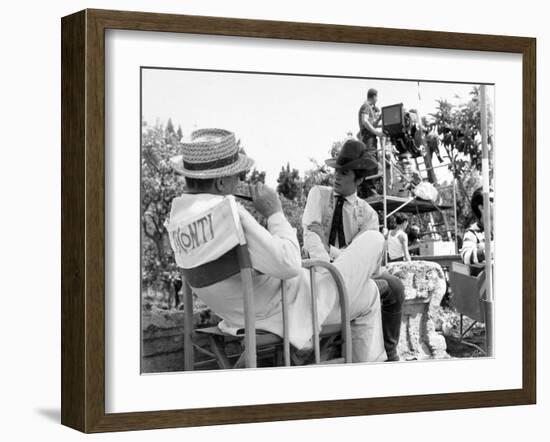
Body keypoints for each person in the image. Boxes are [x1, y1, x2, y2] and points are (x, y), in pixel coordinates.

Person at [167, 128, 387, 363]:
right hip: (290, 309)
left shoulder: (178, 220)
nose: (241, 181)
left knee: (369, 292)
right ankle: (365, 377)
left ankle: (363, 370)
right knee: (375, 241)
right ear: (221, 182)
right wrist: (274, 213)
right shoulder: (230, 216)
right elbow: (289, 264)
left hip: (237, 315)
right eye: (237, 176)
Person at [302, 138, 405, 361]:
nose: (337, 176)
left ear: (358, 178)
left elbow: (364, 256)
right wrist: (327, 260)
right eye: (337, 171)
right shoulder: (318, 194)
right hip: (318, 267)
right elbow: (311, 232)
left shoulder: (368, 213)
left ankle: (391, 351)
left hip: (352, 271)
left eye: (345, 172)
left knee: (395, 286)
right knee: (374, 287)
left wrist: (337, 255)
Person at [461, 186, 493, 265]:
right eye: (492, 200)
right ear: (481, 207)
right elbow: (466, 257)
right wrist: (490, 251)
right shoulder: (472, 233)